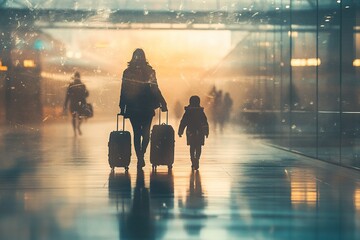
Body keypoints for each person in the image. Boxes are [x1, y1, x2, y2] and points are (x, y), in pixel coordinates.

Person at [119, 48, 167, 169]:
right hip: (147, 106)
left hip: (133, 106)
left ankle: (140, 157)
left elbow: (124, 90)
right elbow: (155, 88)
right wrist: (162, 102)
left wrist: (122, 106)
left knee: (137, 133)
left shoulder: (127, 72)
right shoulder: (150, 71)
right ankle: (141, 156)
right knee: (145, 134)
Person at [178, 95, 209, 170]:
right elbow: (205, 122)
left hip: (190, 131)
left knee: (192, 146)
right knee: (199, 146)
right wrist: (206, 132)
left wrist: (180, 131)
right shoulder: (201, 112)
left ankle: (193, 161)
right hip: (200, 132)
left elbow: (183, 122)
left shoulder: (188, 112)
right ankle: (197, 159)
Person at [63, 71, 89, 136]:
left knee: (74, 117)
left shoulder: (72, 85)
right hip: (80, 104)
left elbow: (67, 96)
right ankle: (77, 128)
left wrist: (65, 105)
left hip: (73, 104)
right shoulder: (82, 85)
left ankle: (75, 131)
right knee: (80, 117)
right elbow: (85, 95)